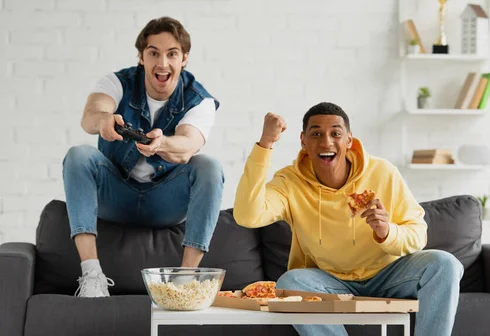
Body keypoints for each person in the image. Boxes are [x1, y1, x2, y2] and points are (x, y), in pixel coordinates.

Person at [233, 102, 463, 336]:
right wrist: (266, 144)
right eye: (316, 134)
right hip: (329, 281)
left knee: (445, 264)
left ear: (349, 140)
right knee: (290, 283)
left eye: (335, 133)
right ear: (303, 140)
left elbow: (417, 234)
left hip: (389, 274)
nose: (326, 142)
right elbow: (246, 216)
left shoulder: (383, 172)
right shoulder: (289, 182)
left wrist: (387, 232)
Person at [63, 17, 224, 298]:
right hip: (115, 196)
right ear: (141, 57)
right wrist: (103, 120)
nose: (162, 63)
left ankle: (185, 282)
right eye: (153, 53)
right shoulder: (118, 82)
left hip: (165, 203)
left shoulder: (200, 99)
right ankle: (92, 275)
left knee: (209, 166)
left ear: (184, 58)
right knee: (78, 155)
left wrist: (163, 143)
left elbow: (188, 144)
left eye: (172, 53)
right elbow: (91, 115)